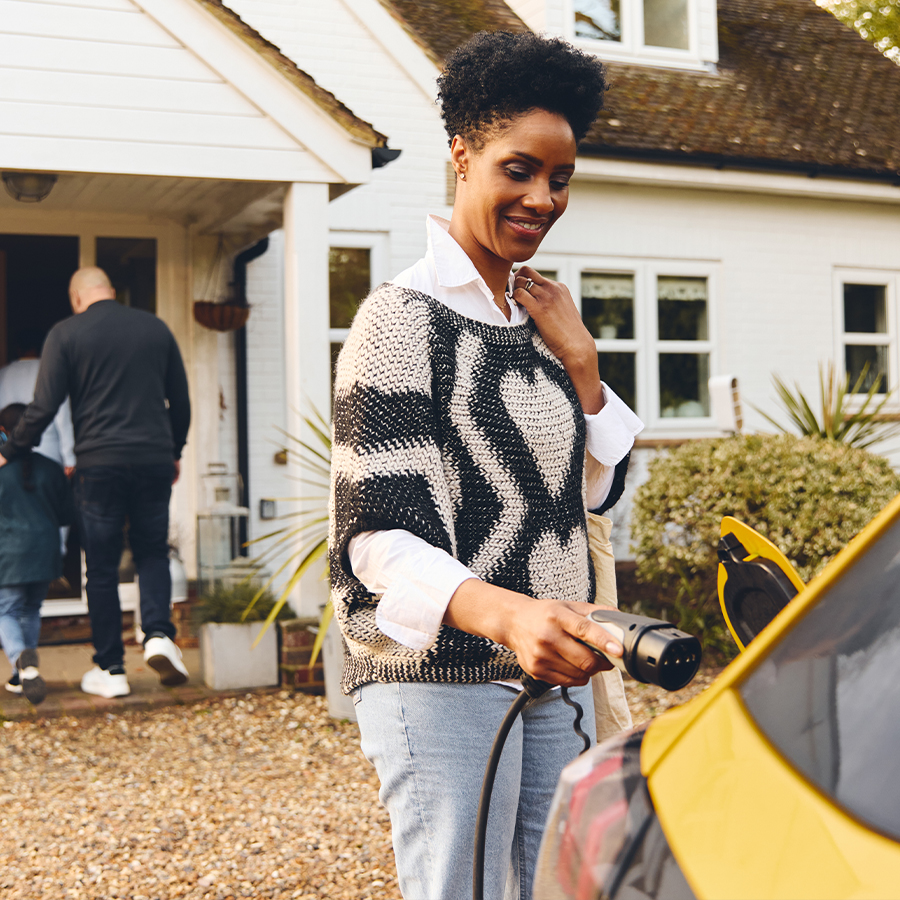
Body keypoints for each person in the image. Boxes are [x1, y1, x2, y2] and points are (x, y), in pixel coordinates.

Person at [329, 31, 643, 900]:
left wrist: (582, 363)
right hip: (441, 678)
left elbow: (589, 495)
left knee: (561, 887)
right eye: (519, 170)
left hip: (556, 665)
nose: (543, 198)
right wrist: (511, 617)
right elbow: (375, 539)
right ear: (462, 155)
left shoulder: (539, 319)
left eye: (560, 178)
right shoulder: (401, 319)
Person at [0, 267, 191, 699]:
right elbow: (179, 401)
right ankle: (158, 635)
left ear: (76, 298)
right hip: (152, 460)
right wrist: (174, 450)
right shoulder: (155, 328)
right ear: (111, 291)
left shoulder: (66, 334)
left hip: (99, 464)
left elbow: (43, 405)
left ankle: (111, 668)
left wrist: (10, 451)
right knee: (152, 551)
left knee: (102, 568)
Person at [0, 403, 72, 705]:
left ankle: (20, 658)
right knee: (30, 610)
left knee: (6, 611)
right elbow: (66, 515)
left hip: (9, 555)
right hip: (45, 553)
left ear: (3, 432)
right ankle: (24, 675)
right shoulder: (51, 469)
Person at [0, 328, 76, 559]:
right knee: (51, 506)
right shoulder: (49, 371)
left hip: (8, 452)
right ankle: (55, 557)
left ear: (17, 349)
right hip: (49, 447)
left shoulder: (4, 373)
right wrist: (70, 456)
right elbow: (63, 414)